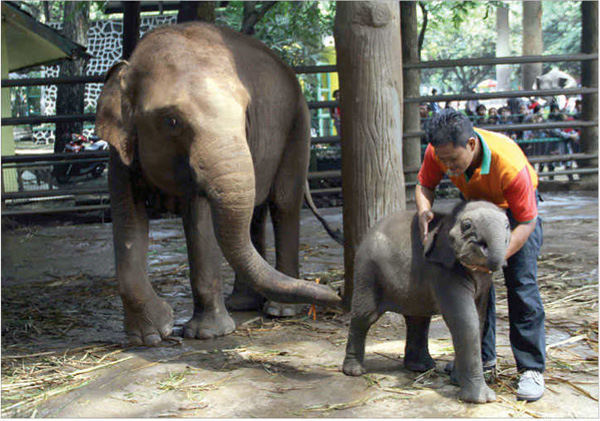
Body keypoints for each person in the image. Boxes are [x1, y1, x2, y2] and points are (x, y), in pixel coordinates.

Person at [415, 109, 546, 402]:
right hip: (476, 209)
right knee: (475, 288)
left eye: (453, 161)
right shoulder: (438, 151)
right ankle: (483, 359)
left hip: (513, 213)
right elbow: (424, 184)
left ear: (471, 145)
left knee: (522, 285)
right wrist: (424, 212)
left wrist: (497, 259)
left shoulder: (509, 166)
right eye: (443, 160)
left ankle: (531, 367)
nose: (447, 167)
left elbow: (527, 222)